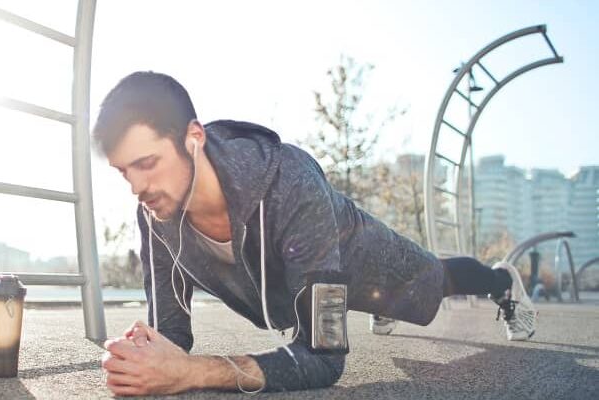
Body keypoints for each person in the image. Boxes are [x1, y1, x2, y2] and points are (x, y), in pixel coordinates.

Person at [95, 71, 537, 396]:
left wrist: (192, 372)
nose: (137, 188)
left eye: (147, 163)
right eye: (124, 172)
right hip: (308, 286)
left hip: (369, 264)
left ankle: (502, 281)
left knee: (437, 280)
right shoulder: (156, 212)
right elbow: (172, 334)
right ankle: (373, 307)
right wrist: (144, 358)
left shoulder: (291, 180)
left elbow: (323, 358)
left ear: (193, 138)